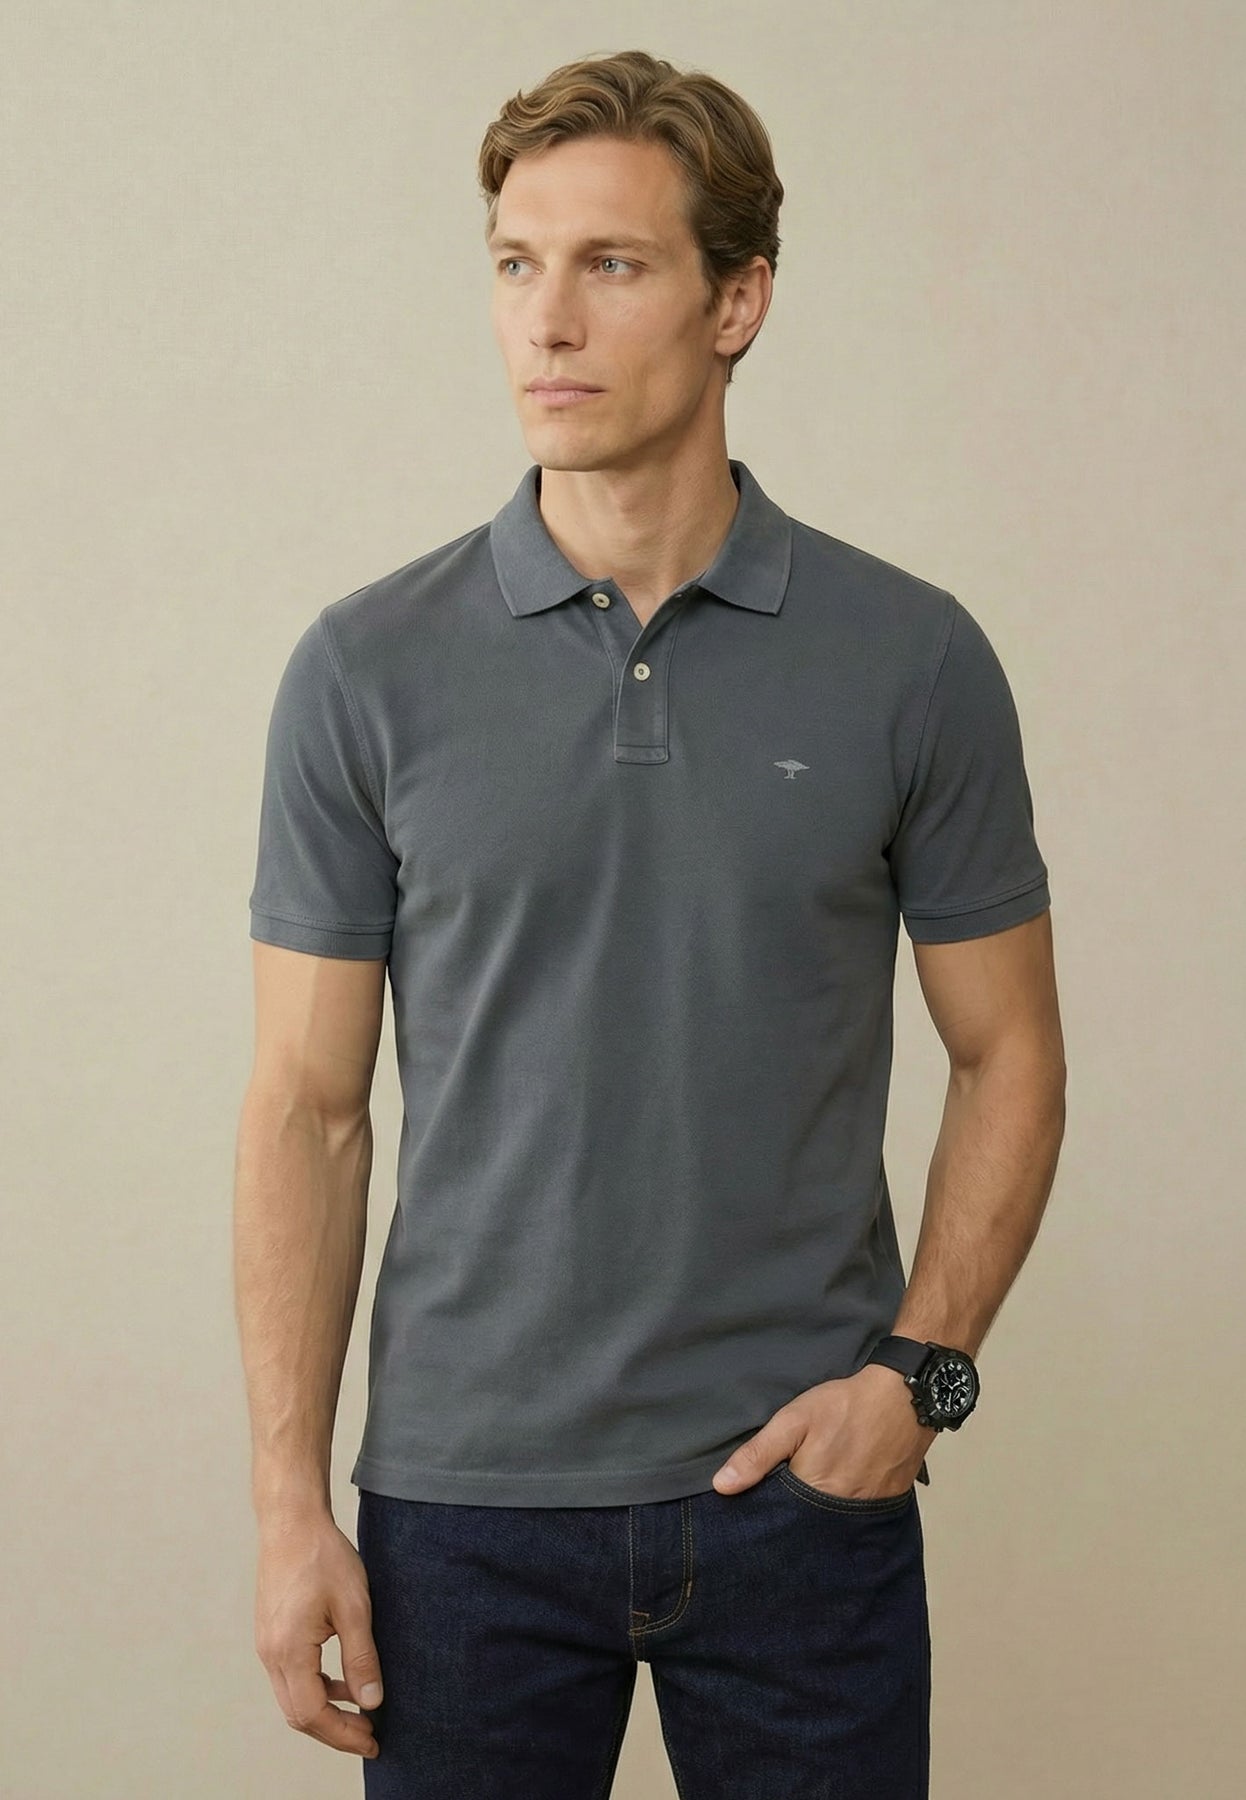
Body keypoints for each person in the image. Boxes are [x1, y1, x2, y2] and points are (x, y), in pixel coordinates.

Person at [233, 47, 1066, 1800]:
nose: (547, 321)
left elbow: (1009, 1054)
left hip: (797, 1500)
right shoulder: (365, 670)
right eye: (514, 264)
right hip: (459, 1516)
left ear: (735, 300)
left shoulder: (910, 658)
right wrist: (289, 1508)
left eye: (610, 264)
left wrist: (918, 1380)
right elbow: (307, 1112)